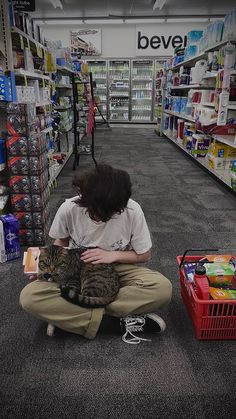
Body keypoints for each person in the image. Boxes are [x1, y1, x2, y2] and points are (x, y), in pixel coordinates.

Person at [20, 164, 172, 344]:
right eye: (92, 213)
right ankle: (117, 322)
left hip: (117, 268)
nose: (95, 218)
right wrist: (44, 267)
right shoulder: (69, 207)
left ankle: (72, 318)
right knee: (29, 297)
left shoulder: (132, 210)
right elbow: (60, 242)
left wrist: (112, 255)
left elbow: (144, 255)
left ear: (118, 208)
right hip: (75, 267)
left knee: (163, 288)